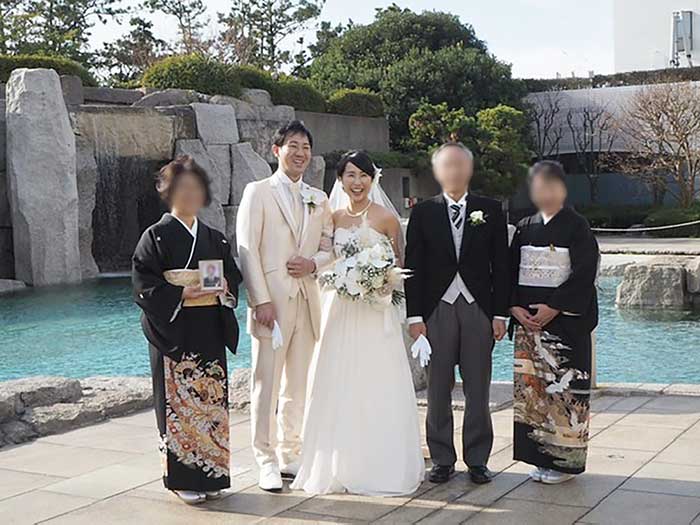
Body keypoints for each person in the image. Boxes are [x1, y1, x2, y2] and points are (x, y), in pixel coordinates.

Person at [291, 151, 424, 496]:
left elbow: (399, 268)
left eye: (364, 175)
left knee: (376, 382)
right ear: (340, 180)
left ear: (373, 179)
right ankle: (336, 463)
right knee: (337, 380)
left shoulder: (387, 219)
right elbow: (325, 258)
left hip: (375, 312)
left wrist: (380, 282)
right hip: (339, 309)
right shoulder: (332, 218)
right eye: (350, 175)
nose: (357, 182)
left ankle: (379, 464)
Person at [132, 156, 242, 505]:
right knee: (178, 406)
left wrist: (225, 286)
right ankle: (181, 479)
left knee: (210, 404)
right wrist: (181, 294)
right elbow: (143, 284)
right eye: (182, 187)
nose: (190, 194)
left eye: (196, 187)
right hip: (174, 331)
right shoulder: (155, 237)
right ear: (166, 191)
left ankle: (212, 475)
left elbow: (233, 276)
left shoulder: (215, 239)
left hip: (209, 328)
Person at [236, 121, 334, 492]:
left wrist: (314, 264)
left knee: (298, 383)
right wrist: (260, 300)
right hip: (272, 305)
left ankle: (290, 451)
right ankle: (264, 459)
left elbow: (329, 246)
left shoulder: (318, 198)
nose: (300, 153)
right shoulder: (258, 192)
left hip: (307, 300)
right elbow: (247, 249)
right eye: (293, 145)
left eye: (306, 147)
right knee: (266, 384)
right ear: (277, 150)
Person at [405, 142, 509, 485]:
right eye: (447, 166)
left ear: (470, 169)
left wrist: (500, 313)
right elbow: (413, 268)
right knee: (437, 387)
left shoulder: (490, 209)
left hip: (478, 308)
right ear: (437, 172)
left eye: (460, 165)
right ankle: (441, 459)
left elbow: (501, 265)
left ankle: (478, 459)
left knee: (478, 386)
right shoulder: (423, 212)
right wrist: (415, 317)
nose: (455, 172)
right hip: (436, 309)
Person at [509, 160, 599, 484]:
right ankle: (539, 458)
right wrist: (514, 307)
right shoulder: (524, 226)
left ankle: (564, 464)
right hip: (529, 323)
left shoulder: (577, 225)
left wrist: (555, 306)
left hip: (564, 325)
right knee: (532, 394)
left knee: (564, 395)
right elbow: (509, 271)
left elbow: (585, 271)